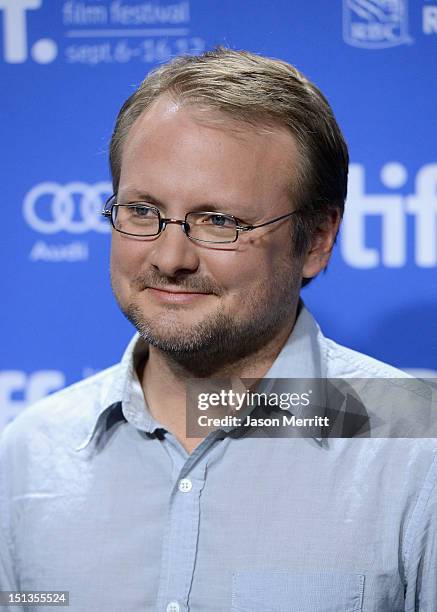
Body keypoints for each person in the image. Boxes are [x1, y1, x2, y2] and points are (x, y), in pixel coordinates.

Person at [0, 48, 436, 612]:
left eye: (220, 221)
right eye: (141, 210)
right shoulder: (30, 452)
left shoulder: (418, 452)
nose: (171, 255)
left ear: (319, 239)